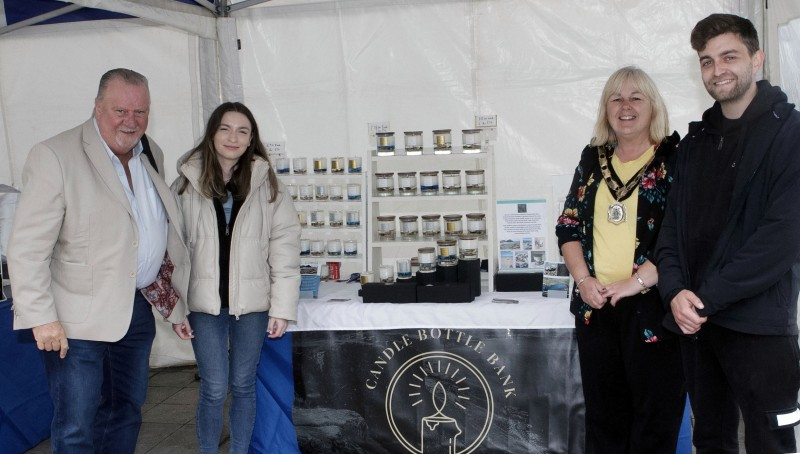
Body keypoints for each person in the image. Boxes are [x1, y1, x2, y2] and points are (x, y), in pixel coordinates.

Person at [7, 68, 192, 452]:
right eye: (120, 110)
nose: (131, 120)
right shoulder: (55, 155)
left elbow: (151, 231)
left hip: (135, 310)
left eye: (140, 112)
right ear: (97, 106)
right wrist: (41, 319)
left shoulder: (150, 153)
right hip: (75, 321)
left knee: (125, 410)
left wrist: (173, 301)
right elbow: (27, 248)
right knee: (76, 423)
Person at [656, 13, 800, 453]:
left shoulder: (789, 134)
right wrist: (675, 290)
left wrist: (704, 297)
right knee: (711, 440)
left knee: (770, 443)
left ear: (756, 60)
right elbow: (670, 232)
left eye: (729, 56)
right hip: (698, 325)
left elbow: (781, 237)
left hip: (759, 327)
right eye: (706, 61)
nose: (717, 69)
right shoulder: (695, 142)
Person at [556, 66, 684, 453]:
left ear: (652, 106)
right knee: (604, 419)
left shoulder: (675, 158)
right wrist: (583, 281)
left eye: (635, 97)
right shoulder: (592, 158)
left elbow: (686, 235)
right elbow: (568, 226)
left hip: (655, 308)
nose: (625, 106)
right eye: (616, 98)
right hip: (597, 308)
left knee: (654, 421)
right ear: (605, 108)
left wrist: (640, 280)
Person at [172, 102, 300, 453]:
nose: (233, 137)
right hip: (204, 307)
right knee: (214, 387)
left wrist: (282, 308)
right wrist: (175, 309)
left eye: (242, 131)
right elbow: (173, 252)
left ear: (251, 139)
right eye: (225, 128)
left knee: (243, 385)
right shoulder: (184, 185)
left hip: (253, 307)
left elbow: (284, 248)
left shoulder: (269, 186)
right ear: (212, 133)